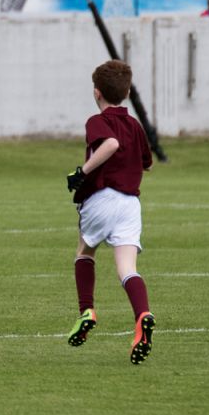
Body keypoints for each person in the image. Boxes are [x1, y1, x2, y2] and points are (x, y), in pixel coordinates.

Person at [65, 59, 155, 365]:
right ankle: (142, 314)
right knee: (127, 268)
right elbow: (146, 162)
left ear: (96, 92)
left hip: (102, 198)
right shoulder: (135, 125)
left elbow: (111, 144)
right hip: (130, 203)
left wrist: (82, 171)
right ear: (127, 92)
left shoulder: (96, 121)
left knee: (84, 251)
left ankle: (86, 310)